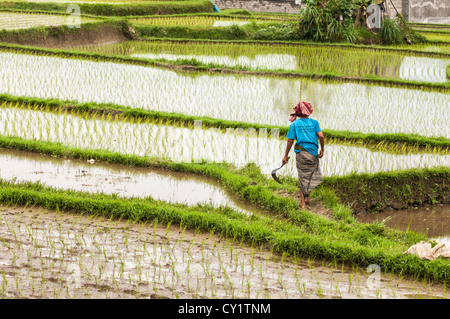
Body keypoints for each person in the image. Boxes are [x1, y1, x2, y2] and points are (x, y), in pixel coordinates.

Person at [282, 101, 324, 209]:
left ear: (299, 112)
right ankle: (307, 198)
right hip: (313, 153)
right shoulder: (315, 123)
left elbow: (290, 141)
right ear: (309, 111)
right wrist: (322, 150)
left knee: (302, 177)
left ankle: (303, 204)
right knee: (310, 174)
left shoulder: (294, 124)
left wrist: (285, 156)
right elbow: (321, 136)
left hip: (301, 154)